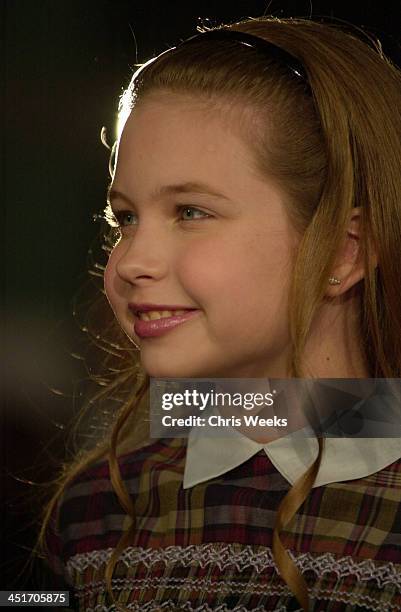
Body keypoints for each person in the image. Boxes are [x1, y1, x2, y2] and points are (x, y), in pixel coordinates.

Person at [39, 15, 401, 611]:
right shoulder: (95, 510)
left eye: (190, 212)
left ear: (343, 250)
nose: (132, 262)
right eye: (125, 218)